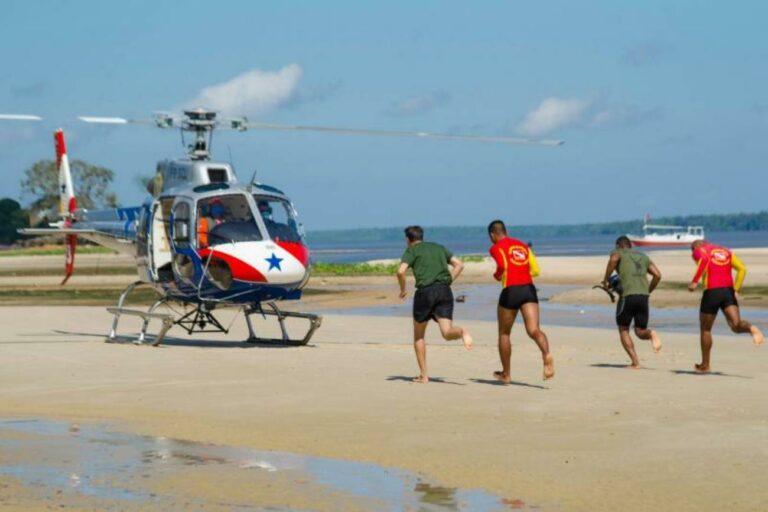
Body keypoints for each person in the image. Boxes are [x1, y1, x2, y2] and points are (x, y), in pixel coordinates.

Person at [396, 225, 472, 384]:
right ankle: (461, 332)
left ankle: (424, 375)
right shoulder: (438, 247)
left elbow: (401, 271)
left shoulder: (411, 250)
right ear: (421, 236)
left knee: (419, 336)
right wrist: (448, 281)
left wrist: (403, 290)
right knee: (447, 332)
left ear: (408, 239)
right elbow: (459, 264)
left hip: (425, 293)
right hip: (444, 291)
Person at [488, 220, 554, 382]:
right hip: (528, 289)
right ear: (506, 231)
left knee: (504, 333)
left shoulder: (495, 248)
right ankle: (546, 354)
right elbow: (536, 270)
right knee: (534, 330)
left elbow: (502, 266)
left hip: (511, 290)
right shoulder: (523, 245)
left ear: (492, 234)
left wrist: (497, 276)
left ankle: (506, 374)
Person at [688, 240, 764, 373]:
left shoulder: (699, 250)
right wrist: (737, 289)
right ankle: (752, 328)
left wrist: (695, 281)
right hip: (728, 291)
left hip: (712, 291)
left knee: (705, 329)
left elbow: (704, 260)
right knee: (736, 325)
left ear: (695, 247)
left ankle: (705, 365)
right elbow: (742, 268)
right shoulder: (726, 251)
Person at [601, 236, 663, 368]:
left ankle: (635, 362)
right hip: (643, 297)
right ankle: (651, 334)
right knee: (640, 331)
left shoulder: (618, 252)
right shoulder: (643, 256)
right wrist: (647, 291)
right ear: (630, 246)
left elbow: (614, 259)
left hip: (627, 296)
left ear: (618, 246)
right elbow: (657, 275)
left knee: (623, 329)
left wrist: (605, 279)